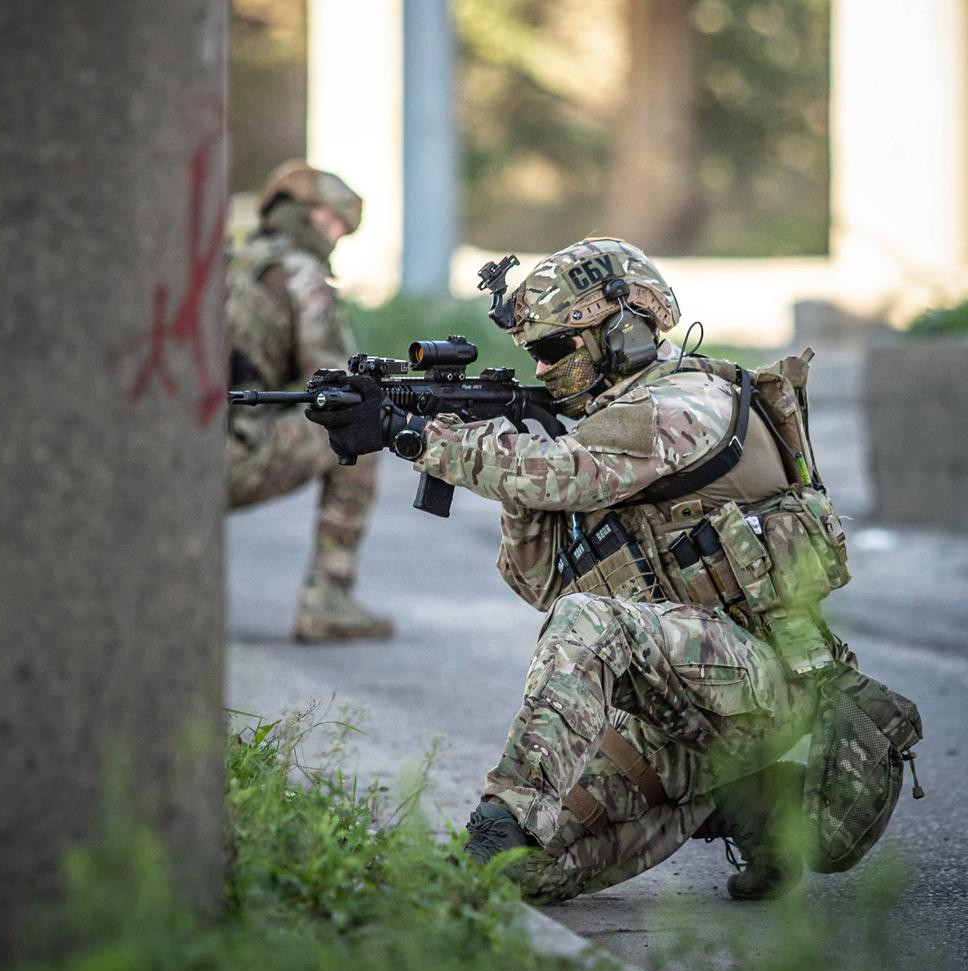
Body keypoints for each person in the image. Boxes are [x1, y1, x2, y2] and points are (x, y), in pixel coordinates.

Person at [306, 237, 857, 901]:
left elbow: (577, 483)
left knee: (586, 627)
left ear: (624, 329)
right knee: (523, 877)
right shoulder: (602, 425)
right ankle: (746, 800)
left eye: (556, 347)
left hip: (760, 687)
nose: (543, 368)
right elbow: (540, 584)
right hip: (669, 706)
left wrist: (418, 435)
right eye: (535, 352)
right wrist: (506, 469)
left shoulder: (690, 405)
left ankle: (498, 825)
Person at [226, 161, 393, 643]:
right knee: (359, 422)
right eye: (331, 221)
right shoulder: (301, 273)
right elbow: (332, 380)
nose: (335, 236)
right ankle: (328, 597)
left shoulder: (222, 261)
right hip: (230, 457)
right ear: (303, 214)